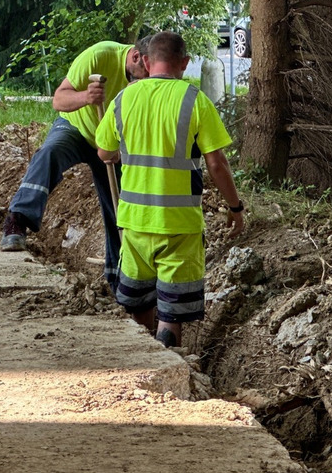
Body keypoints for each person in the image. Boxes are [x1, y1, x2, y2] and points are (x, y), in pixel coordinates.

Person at [94, 30, 245, 348]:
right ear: (185, 63)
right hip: (179, 226)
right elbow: (217, 164)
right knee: (171, 315)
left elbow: (105, 153)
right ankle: (169, 363)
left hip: (134, 224)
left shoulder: (123, 99)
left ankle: (144, 362)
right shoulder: (194, 100)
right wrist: (235, 207)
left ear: (147, 62)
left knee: (139, 306)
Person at [0, 37, 150, 292]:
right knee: (50, 153)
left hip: (109, 144)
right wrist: (86, 97)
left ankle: (119, 278)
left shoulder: (148, 84)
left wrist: (120, 149)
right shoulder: (99, 55)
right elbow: (59, 100)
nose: (148, 79)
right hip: (76, 128)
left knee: (120, 206)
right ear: (136, 57)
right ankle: (18, 219)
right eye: (146, 72)